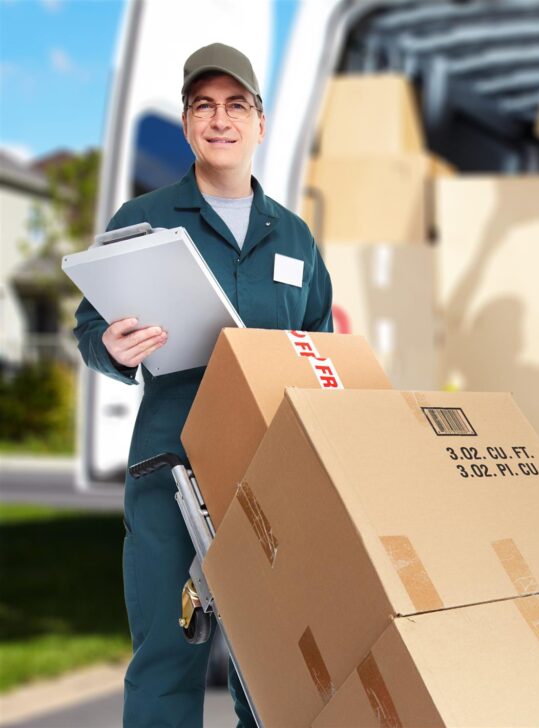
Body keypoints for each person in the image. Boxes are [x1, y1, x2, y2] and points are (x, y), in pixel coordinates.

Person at [73, 43, 333, 727]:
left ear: (260, 122)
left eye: (236, 105)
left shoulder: (297, 241)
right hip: (168, 469)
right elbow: (89, 328)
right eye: (204, 107)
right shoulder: (142, 219)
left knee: (270, 663)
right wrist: (109, 346)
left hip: (269, 477)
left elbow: (320, 350)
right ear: (189, 124)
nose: (220, 120)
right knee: (167, 652)